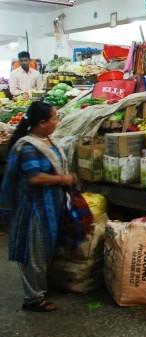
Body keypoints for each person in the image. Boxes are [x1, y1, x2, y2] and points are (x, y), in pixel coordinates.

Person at [0, 102, 76, 312]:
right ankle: (32, 299)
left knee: (45, 250)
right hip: (34, 208)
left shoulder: (46, 140)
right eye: (54, 118)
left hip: (51, 206)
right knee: (34, 253)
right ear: (42, 123)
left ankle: (39, 289)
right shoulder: (27, 146)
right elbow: (34, 178)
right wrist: (63, 179)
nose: (56, 121)